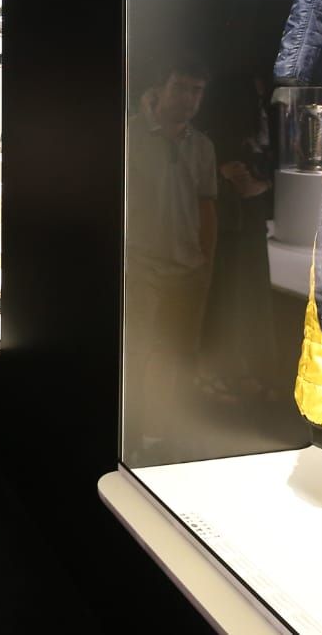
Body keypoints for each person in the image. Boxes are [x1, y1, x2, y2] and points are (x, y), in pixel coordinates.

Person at [125, 60, 217, 456]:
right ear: (160, 88)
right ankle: (128, 434)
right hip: (139, 264)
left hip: (188, 267)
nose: (189, 98)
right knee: (137, 349)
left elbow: (206, 206)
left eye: (197, 91)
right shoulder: (129, 132)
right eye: (181, 87)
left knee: (175, 351)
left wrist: (207, 263)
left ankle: (156, 435)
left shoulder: (202, 145)